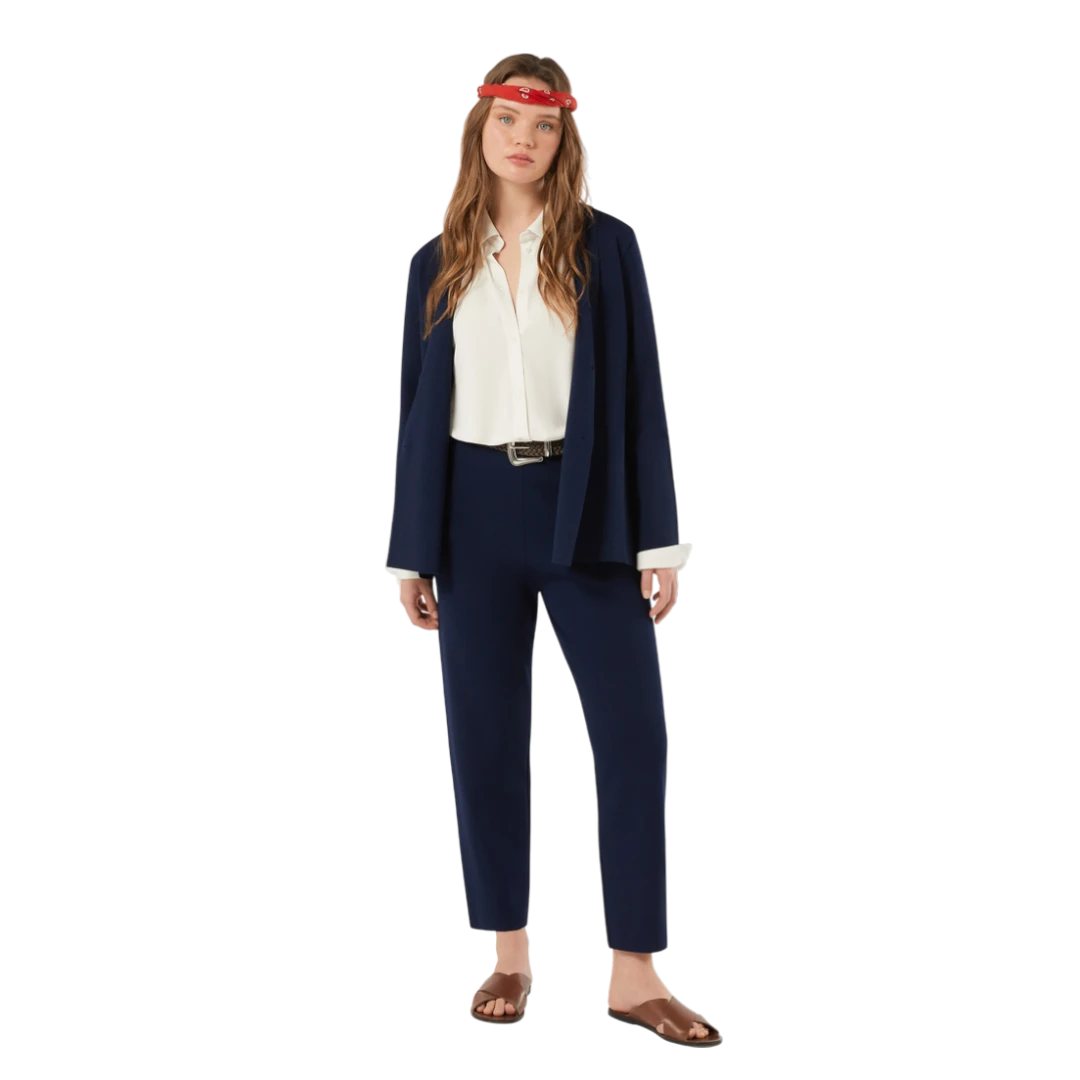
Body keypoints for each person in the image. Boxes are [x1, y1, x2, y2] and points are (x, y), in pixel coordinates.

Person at [384, 54, 722, 1047]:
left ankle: (634, 971)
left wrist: (658, 538)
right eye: (507, 122)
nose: (523, 141)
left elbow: (641, 395)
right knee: (485, 734)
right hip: (471, 515)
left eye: (542, 127)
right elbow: (417, 409)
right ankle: (509, 955)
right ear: (478, 131)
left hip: (589, 508)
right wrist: (412, 550)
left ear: (564, 139)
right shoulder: (437, 258)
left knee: (632, 731)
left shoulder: (604, 248)